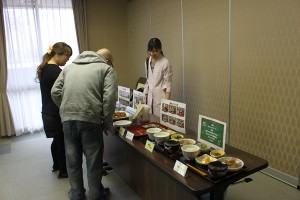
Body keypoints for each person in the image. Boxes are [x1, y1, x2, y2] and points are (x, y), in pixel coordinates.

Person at [51, 49, 118, 200]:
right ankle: (96, 195)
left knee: (72, 160)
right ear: (108, 60)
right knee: (93, 161)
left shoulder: (69, 68)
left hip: (68, 120)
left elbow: (55, 92)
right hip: (90, 119)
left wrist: (66, 109)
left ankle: (77, 195)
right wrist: (107, 122)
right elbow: (110, 98)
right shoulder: (107, 69)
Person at [36, 42, 72, 179]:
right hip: (55, 113)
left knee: (57, 141)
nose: (67, 60)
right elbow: (63, 93)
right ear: (57, 54)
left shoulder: (45, 68)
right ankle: (63, 171)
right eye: (66, 56)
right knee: (62, 142)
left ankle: (56, 165)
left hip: (47, 111)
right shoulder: (56, 71)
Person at [143, 38, 173, 117]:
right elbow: (148, 80)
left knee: (160, 124)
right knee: (150, 122)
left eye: (154, 51)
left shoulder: (165, 62)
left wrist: (166, 104)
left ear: (160, 49)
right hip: (150, 98)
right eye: (150, 51)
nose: (152, 53)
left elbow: (168, 85)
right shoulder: (147, 61)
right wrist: (144, 94)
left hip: (160, 98)